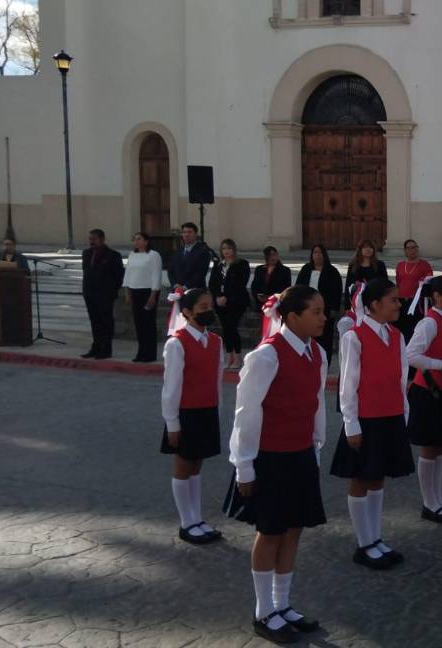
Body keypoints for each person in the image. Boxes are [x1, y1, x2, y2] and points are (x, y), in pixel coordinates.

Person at [225, 285, 328, 643]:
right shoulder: (266, 356)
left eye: (323, 310)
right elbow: (246, 413)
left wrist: (316, 448)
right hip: (270, 458)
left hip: (300, 455)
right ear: (293, 316)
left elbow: (316, 404)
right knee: (270, 533)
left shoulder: (317, 352)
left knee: (294, 530)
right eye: (316, 311)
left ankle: (283, 605)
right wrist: (244, 466)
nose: (323, 317)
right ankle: (263, 611)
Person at [331, 278, 414, 570]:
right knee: (361, 477)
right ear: (375, 304)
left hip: (390, 416)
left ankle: (376, 537)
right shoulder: (354, 337)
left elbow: (401, 379)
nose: (398, 304)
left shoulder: (397, 335)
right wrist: (351, 423)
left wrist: (404, 414)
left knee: (378, 477)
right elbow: (348, 384)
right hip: (366, 419)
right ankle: (364, 542)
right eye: (393, 300)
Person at [161, 288, 224, 545]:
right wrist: (172, 422)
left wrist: (216, 409)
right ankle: (186, 522)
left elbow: (217, 380)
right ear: (186, 312)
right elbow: (171, 387)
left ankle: (197, 518)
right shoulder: (177, 343)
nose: (208, 311)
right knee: (183, 465)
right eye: (202, 307)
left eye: (210, 305)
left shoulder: (216, 341)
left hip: (207, 410)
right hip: (186, 413)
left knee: (197, 465)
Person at [406, 275, 442, 524]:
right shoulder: (429, 323)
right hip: (428, 391)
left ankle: (439, 501)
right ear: (437, 297)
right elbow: (411, 355)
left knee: (439, 447)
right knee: (430, 449)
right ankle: (429, 503)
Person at [80, 229, 125, 359]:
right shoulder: (86, 253)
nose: (91, 241)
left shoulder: (113, 255)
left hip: (105, 295)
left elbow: (119, 276)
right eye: (90, 239)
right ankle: (96, 347)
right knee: (94, 322)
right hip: (89, 294)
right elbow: (87, 273)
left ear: (102, 239)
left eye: (94, 239)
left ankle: (106, 349)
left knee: (106, 322)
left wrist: (111, 291)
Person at [209, 239, 252, 371]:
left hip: (236, 301)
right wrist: (217, 296)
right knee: (225, 328)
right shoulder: (218, 265)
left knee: (232, 326)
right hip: (220, 302)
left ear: (234, 249)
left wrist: (227, 297)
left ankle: (237, 356)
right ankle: (229, 355)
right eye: (224, 249)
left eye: (229, 248)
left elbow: (240, 283)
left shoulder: (242, 264)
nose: (226, 251)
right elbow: (213, 283)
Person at [296, 244, 343, 358]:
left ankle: (324, 360)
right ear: (312, 255)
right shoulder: (306, 269)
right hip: (307, 310)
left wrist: (334, 308)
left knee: (325, 338)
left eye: (320, 252)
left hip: (325, 310)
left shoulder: (332, 271)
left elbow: (337, 290)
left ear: (324, 255)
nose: (317, 255)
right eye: (315, 252)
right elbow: (298, 287)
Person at [123, 232, 164, 362]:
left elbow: (156, 275)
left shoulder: (153, 255)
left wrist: (153, 295)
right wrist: (127, 293)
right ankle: (141, 352)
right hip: (135, 291)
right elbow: (128, 274)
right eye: (135, 239)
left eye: (139, 239)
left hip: (148, 292)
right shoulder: (132, 255)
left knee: (148, 323)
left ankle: (150, 353)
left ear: (146, 241)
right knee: (139, 323)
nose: (136, 241)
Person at [394, 239, 433, 341]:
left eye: (414, 247)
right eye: (409, 248)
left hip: (416, 303)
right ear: (405, 251)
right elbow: (398, 283)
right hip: (401, 302)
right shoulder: (400, 265)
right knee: (401, 328)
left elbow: (429, 283)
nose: (412, 250)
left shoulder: (425, 265)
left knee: (414, 330)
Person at [343, 239, 388, 307]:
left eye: (370, 247)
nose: (368, 249)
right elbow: (348, 284)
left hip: (374, 302)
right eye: (365, 247)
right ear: (360, 250)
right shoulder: (353, 265)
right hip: (356, 302)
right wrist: (347, 306)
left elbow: (385, 283)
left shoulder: (380, 265)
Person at [168, 222, 211, 290]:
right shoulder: (177, 252)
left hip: (195, 291)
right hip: (177, 291)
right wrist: (175, 284)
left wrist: (185, 287)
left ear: (195, 234)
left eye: (189, 232)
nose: (186, 234)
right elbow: (170, 271)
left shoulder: (203, 251)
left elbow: (200, 273)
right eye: (184, 232)